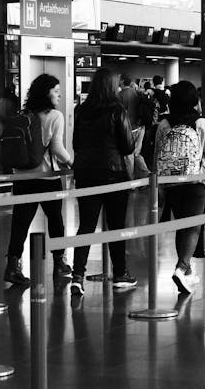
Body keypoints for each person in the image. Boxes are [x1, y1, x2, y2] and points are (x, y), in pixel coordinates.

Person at [70, 68, 138, 295]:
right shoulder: (117, 109)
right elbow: (127, 146)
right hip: (113, 174)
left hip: (86, 173)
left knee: (86, 226)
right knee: (116, 225)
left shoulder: (81, 110)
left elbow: (76, 144)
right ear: (111, 86)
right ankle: (120, 273)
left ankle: (77, 276)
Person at [3, 73, 75, 287]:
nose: (59, 94)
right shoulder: (55, 116)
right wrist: (71, 162)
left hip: (22, 176)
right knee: (55, 220)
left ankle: (12, 266)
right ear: (46, 93)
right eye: (55, 90)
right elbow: (57, 148)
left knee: (20, 223)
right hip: (46, 176)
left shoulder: (24, 114)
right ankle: (59, 262)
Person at [155, 81, 205, 295]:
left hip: (171, 182)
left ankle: (187, 268)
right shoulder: (203, 124)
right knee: (193, 227)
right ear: (195, 100)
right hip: (196, 182)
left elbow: (157, 155)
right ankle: (182, 267)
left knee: (182, 225)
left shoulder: (164, 124)